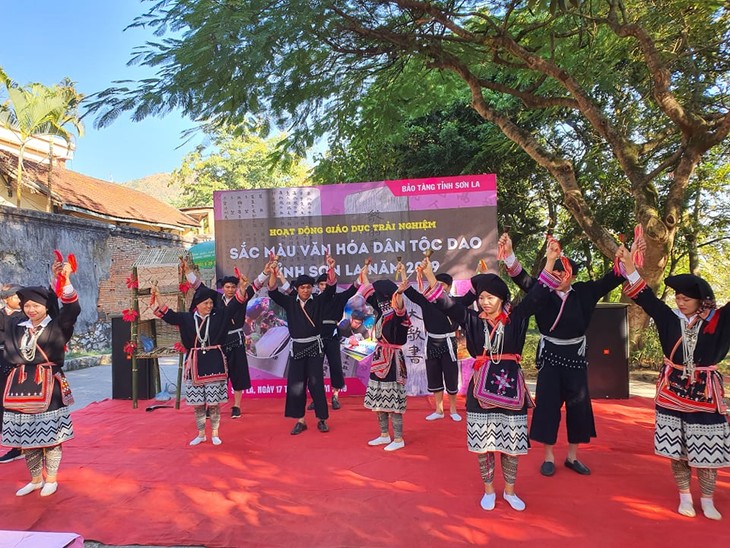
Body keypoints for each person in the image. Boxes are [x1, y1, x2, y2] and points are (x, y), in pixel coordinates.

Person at [418, 245, 559, 512]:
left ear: (503, 300)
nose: (484, 301)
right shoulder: (471, 320)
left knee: (511, 446)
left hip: (511, 389)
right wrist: (429, 276)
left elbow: (538, 294)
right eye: (481, 297)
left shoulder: (516, 317)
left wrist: (550, 260)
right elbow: (446, 304)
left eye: (490, 297)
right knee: (484, 446)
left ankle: (510, 490)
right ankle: (489, 490)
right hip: (479, 390)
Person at [499, 232, 625, 477]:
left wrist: (624, 259)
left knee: (578, 406)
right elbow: (520, 277)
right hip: (551, 358)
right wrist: (510, 254)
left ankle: (572, 457)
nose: (557, 277)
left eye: (562, 273)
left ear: (573, 276)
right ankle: (548, 456)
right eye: (553, 273)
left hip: (576, 357)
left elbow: (611, 280)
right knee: (548, 406)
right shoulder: (542, 291)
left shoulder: (585, 292)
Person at [618, 245, 729, 520]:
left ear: (702, 300)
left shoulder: (721, 320)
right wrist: (630, 266)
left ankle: (707, 499)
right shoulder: (670, 318)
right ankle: (684, 497)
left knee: (707, 449)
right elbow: (646, 297)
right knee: (677, 450)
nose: (680, 302)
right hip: (672, 393)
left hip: (704, 393)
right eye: (678, 297)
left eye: (686, 299)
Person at [0, 259, 80, 497]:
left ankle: (51, 478)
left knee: (50, 436)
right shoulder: (17, 325)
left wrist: (65, 282)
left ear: (46, 307)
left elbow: (72, 310)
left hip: (49, 385)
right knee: (26, 436)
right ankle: (35, 479)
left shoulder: (58, 326)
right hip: (19, 384)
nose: (31, 310)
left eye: (36, 305)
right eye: (27, 306)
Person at [153, 273, 250, 446]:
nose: (209, 306)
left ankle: (214, 433)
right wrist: (158, 296)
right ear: (197, 305)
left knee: (213, 403)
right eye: (206, 303)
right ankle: (200, 434)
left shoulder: (219, 316)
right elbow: (169, 315)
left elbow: (235, 304)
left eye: (211, 303)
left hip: (215, 362)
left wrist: (242, 288)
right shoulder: (187, 318)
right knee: (198, 404)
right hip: (195, 363)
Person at [183, 260, 269, 419]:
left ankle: (236, 406)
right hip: (219, 342)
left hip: (236, 340)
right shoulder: (215, 298)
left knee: (238, 373)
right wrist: (188, 271)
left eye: (233, 287)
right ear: (223, 288)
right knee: (216, 374)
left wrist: (265, 271)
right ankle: (212, 405)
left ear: (237, 287)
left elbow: (256, 284)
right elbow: (198, 286)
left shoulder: (242, 295)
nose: (230, 290)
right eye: (227, 287)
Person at [267, 256, 337, 434]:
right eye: (302, 287)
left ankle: (322, 419)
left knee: (316, 384)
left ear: (312, 288)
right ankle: (301, 420)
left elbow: (331, 289)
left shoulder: (319, 301)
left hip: (314, 347)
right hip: (297, 348)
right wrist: (273, 273)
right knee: (296, 385)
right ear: (297, 289)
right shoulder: (290, 302)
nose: (306, 290)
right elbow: (273, 292)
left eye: (308, 287)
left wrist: (331, 268)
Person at [360, 263, 411, 451]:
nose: (377, 298)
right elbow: (368, 292)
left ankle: (398, 439)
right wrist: (364, 274)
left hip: (393, 360)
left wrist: (400, 293)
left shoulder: (398, 314)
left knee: (393, 400)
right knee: (378, 397)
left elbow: (399, 307)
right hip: (380, 357)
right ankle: (383, 434)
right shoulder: (382, 309)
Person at [403, 272, 462, 422]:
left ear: (448, 288)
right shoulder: (426, 302)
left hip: (449, 342)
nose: (437, 288)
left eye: (442, 286)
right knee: (434, 375)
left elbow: (472, 297)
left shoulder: (454, 303)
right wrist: (403, 272)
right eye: (435, 284)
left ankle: (453, 409)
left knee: (451, 375)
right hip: (431, 342)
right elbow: (409, 292)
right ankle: (439, 409)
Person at [315, 272, 358, 409]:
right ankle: (317, 398)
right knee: (315, 367)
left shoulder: (340, 297)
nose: (324, 287)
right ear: (318, 286)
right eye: (321, 284)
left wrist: (363, 274)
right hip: (317, 335)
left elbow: (353, 289)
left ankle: (335, 396)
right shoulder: (314, 299)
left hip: (333, 334)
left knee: (335, 365)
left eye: (326, 284)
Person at [0, 284, 24, 464]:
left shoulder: (24, 316)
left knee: (15, 405)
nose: (19, 300)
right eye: (16, 297)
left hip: (16, 363)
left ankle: (19, 446)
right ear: (6, 298)